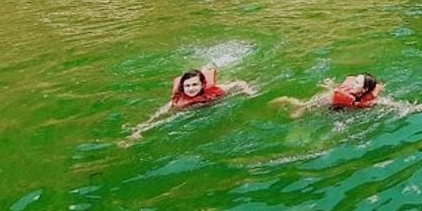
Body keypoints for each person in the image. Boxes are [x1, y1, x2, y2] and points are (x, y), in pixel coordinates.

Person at [122, 67, 256, 144]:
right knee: (170, 119)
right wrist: (140, 129)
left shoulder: (214, 90)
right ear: (183, 87)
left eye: (195, 85)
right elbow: (159, 116)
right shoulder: (178, 102)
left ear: (202, 85)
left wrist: (249, 92)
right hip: (193, 109)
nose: (191, 89)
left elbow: (239, 83)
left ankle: (206, 68)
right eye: (187, 86)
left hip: (211, 102)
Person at [273, 73, 384, 119]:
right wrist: (331, 85)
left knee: (300, 108)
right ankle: (286, 100)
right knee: (297, 114)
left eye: (357, 83)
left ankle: (287, 101)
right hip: (318, 103)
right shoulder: (349, 94)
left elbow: (383, 101)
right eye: (354, 80)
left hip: (329, 104)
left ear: (364, 89)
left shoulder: (363, 99)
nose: (352, 84)